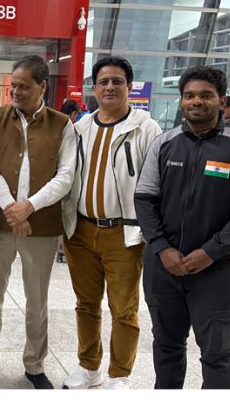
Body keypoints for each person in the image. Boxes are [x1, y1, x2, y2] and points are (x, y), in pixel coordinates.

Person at [135, 65, 230, 389]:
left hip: (219, 270)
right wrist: (162, 247)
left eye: (206, 95)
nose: (197, 101)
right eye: (190, 95)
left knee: (218, 354)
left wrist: (211, 251)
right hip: (164, 268)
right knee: (166, 347)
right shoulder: (164, 143)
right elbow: (144, 198)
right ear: (181, 101)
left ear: (221, 101)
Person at [0, 54, 77, 389]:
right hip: (1, 225)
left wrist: (29, 207)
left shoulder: (63, 124)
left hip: (42, 227)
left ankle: (35, 365)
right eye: (13, 85)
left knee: (38, 300)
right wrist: (11, 209)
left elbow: (66, 176)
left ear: (42, 86)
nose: (15, 91)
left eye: (23, 86)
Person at [60, 56, 162, 390]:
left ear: (129, 88)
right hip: (81, 230)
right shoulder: (80, 128)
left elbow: (157, 182)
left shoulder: (146, 128)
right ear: (93, 87)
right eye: (103, 81)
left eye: (117, 81)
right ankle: (89, 367)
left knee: (123, 309)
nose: (109, 87)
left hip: (124, 233)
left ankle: (121, 374)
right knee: (86, 304)